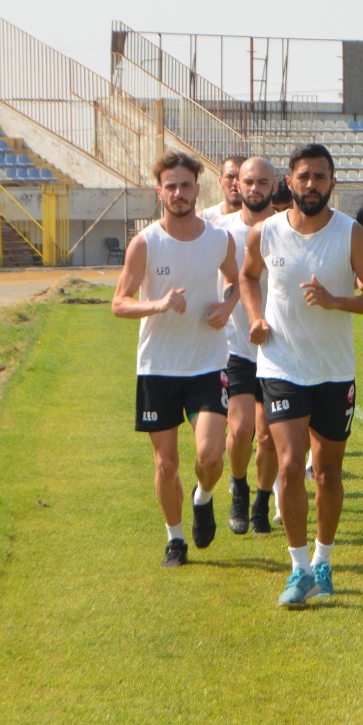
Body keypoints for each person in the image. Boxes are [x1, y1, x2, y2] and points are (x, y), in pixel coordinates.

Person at [241, 143, 363, 608]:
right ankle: (299, 567)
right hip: (282, 366)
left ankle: (324, 560)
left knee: (327, 472)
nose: (311, 185)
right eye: (304, 176)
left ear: (332, 183)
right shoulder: (264, 234)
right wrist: (254, 318)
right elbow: (248, 277)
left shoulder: (350, 235)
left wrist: (337, 301)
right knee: (289, 465)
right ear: (290, 180)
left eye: (321, 177)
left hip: (333, 371)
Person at [112, 151, 238, 567]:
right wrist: (159, 304)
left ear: (197, 189)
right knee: (166, 463)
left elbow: (240, 281)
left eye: (186, 185)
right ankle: (176, 539)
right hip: (158, 367)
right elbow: (119, 303)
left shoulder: (219, 238)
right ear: (159, 191)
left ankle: (203, 498)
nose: (179, 193)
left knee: (210, 456)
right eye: (171, 186)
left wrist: (227, 307)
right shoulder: (146, 243)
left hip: (208, 363)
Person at [212, 155, 278, 534]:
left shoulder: (286, 227)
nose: (253, 188)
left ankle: (262, 501)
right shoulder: (220, 230)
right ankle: (238, 487)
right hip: (236, 347)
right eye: (246, 181)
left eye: (261, 182)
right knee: (239, 432)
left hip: (277, 349)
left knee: (267, 436)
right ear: (236, 184)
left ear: (274, 185)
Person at [200, 155, 245, 222]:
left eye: (241, 176)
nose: (235, 183)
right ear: (221, 181)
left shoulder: (261, 221)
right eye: (230, 176)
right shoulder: (204, 219)